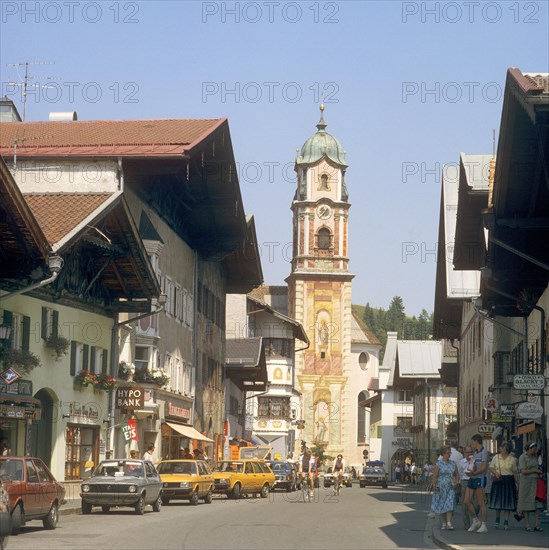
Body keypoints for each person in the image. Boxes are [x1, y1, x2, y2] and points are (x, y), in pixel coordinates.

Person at [489, 441, 518, 530]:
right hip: (499, 480)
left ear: (507, 450)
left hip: (509, 480)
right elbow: (491, 467)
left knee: (507, 503)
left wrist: (517, 483)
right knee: (498, 501)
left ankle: (506, 522)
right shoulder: (496, 457)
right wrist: (496, 473)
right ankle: (497, 520)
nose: (500, 449)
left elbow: (514, 472)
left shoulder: (513, 459)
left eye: (502, 448)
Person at [464, 434, 489, 533]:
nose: (471, 444)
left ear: (476, 441)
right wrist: (469, 469)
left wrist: (473, 473)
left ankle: (484, 524)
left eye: (472, 442)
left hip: (480, 478)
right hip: (472, 477)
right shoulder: (474, 453)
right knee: (466, 501)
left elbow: (483, 468)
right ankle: (475, 520)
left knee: (480, 502)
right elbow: (472, 464)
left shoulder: (484, 452)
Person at [515, 442, 543, 532]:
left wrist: (539, 473)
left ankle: (536, 525)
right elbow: (523, 471)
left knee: (537, 504)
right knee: (525, 503)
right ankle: (527, 525)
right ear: (529, 448)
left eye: (535, 449)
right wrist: (535, 470)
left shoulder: (535, 457)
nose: (535, 450)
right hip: (526, 482)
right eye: (533, 448)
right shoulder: (523, 457)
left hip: (535, 481)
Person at [431, 446, 460, 530]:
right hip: (441, 487)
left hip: (451, 486)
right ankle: (443, 523)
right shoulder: (438, 464)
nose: (449, 454)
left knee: (450, 503)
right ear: (443, 454)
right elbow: (435, 477)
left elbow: (457, 474)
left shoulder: (453, 463)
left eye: (450, 453)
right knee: (442, 505)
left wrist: (456, 482)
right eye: (448, 453)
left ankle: (449, 523)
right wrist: (434, 487)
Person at [458, 446, 476, 529]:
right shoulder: (461, 462)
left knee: (475, 503)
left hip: (474, 481)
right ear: (464, 453)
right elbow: (459, 474)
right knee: (465, 504)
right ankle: (467, 525)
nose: (469, 454)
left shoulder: (475, 461)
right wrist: (459, 484)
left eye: (471, 452)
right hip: (465, 482)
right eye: (467, 452)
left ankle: (475, 521)